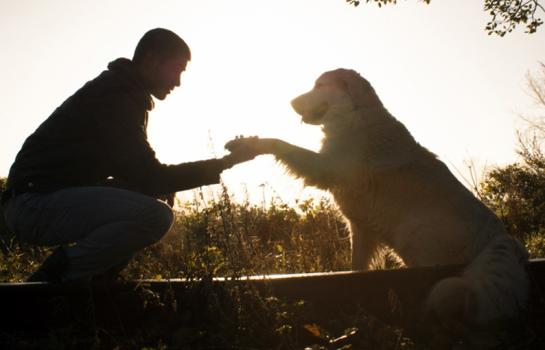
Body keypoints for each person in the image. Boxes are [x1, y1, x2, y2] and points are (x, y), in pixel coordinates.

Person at [0, 28, 257, 283]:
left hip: (40, 200)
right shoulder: (116, 97)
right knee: (157, 215)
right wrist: (227, 162)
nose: (178, 82)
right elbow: (152, 176)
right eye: (177, 69)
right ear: (153, 60)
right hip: (33, 206)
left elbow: (144, 177)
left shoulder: (122, 91)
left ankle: (96, 285)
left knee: (151, 197)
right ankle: (51, 282)